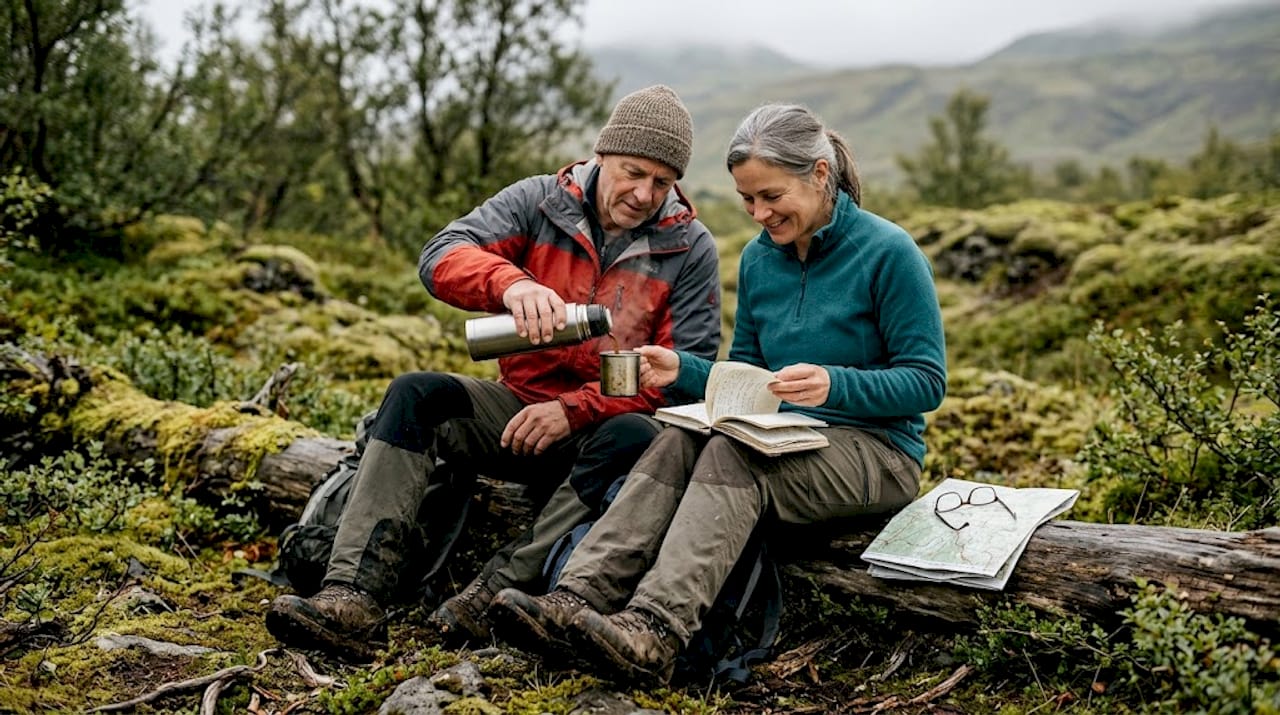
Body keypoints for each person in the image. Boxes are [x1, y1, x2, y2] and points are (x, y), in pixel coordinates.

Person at [487, 102, 947, 684]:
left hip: (878, 452)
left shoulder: (889, 253)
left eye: (771, 196)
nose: (759, 214)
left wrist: (836, 383)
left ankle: (655, 628)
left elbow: (926, 382)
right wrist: (680, 369)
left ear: (819, 175)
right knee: (675, 438)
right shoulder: (759, 260)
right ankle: (575, 597)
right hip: (785, 435)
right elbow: (748, 378)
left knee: (732, 454)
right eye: (747, 199)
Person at [265, 85, 722, 660]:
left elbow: (679, 375)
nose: (644, 194)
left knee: (635, 435)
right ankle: (354, 596)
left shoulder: (689, 248)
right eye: (633, 173)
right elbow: (441, 254)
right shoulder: (540, 202)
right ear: (602, 154)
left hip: (602, 430)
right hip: (512, 410)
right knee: (417, 395)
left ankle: (493, 594)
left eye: (662, 182)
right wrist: (512, 284)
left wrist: (573, 409)